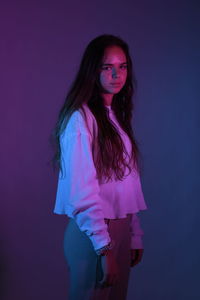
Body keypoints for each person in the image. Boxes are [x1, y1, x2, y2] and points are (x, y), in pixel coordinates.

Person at [52, 34, 147, 300]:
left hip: (119, 230)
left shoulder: (114, 116)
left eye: (123, 66)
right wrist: (104, 249)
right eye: (107, 67)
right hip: (94, 236)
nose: (117, 74)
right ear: (93, 70)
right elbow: (81, 189)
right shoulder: (80, 119)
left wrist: (134, 232)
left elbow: (126, 179)